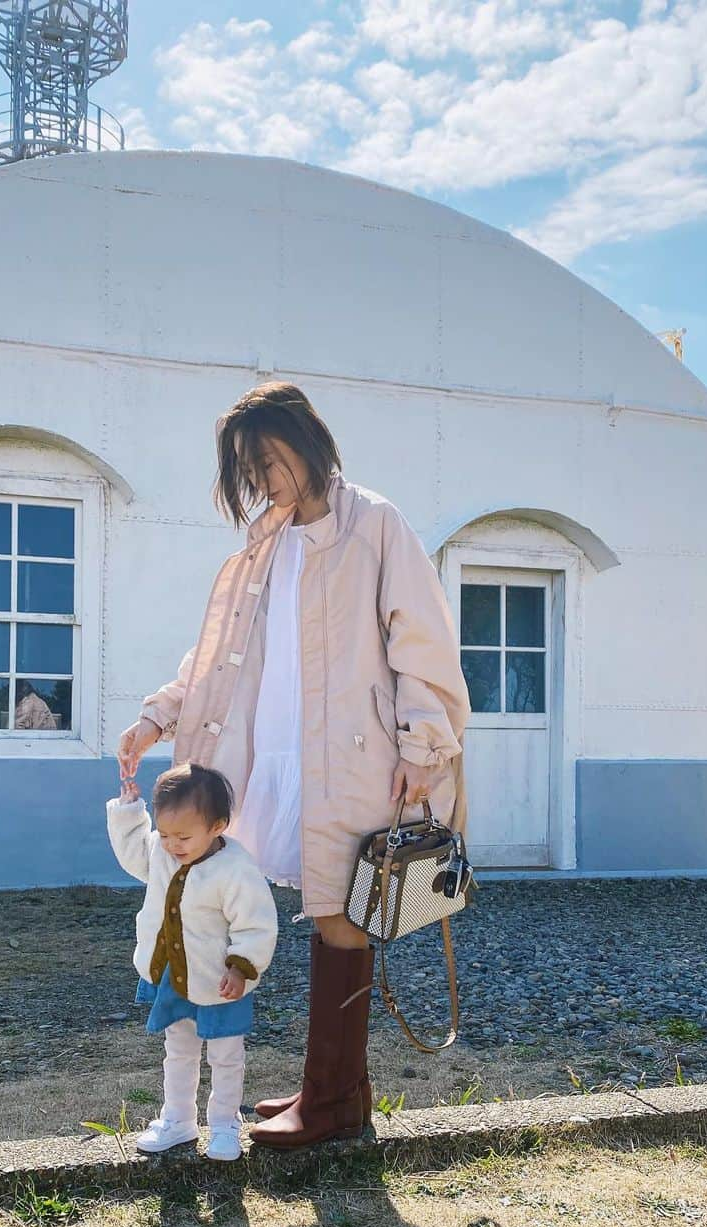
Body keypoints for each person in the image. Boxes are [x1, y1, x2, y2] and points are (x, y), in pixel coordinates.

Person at [117, 382, 470, 1150]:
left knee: (344, 913)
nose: (265, 479)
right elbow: (216, 654)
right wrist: (157, 716)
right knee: (319, 907)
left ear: (309, 441)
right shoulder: (265, 541)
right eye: (251, 468)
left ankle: (338, 1101)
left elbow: (423, 641)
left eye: (270, 459)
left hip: (352, 755)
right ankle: (325, 1089)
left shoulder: (375, 523)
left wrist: (422, 743)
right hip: (270, 750)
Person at [106, 762, 278, 1162]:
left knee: (225, 1056)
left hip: (220, 982)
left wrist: (241, 967)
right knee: (178, 1050)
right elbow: (135, 855)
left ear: (217, 826)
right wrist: (130, 811)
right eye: (164, 834)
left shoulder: (235, 870)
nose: (171, 844)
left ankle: (224, 1124)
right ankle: (178, 1119)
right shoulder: (163, 854)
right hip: (174, 980)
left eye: (183, 836)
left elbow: (256, 924)